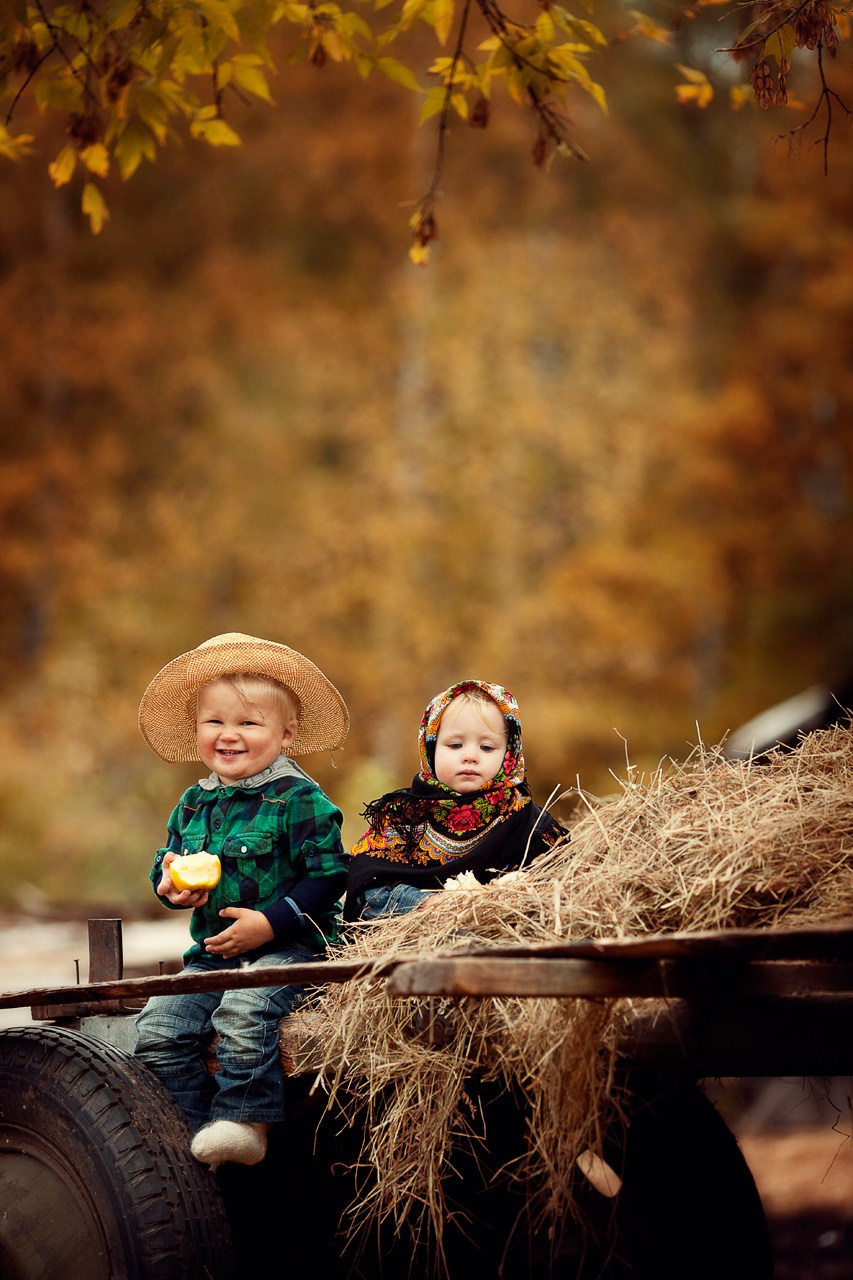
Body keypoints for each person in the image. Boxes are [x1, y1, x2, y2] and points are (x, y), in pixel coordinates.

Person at [133, 632, 349, 1170]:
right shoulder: (193, 803)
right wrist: (170, 888)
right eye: (215, 722)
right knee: (159, 1028)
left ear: (286, 734)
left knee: (245, 1010)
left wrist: (270, 924)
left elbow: (329, 876)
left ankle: (244, 1119)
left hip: (293, 950)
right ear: (198, 730)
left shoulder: (300, 798)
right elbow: (169, 859)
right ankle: (185, 1137)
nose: (229, 735)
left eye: (249, 723)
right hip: (212, 956)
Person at [345, 679, 565, 922]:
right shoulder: (402, 818)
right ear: (430, 748)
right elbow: (365, 891)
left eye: (487, 748)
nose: (470, 756)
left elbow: (563, 882)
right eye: (455, 745)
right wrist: (425, 904)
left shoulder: (525, 819)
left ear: (508, 755)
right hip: (414, 943)